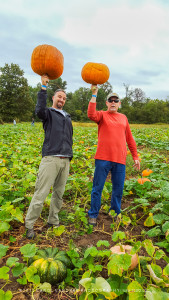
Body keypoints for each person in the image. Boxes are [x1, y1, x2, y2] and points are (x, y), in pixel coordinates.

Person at [25, 75, 73, 239]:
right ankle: (30, 225)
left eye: (64, 98)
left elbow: (69, 137)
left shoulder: (67, 116)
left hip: (65, 159)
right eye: (59, 96)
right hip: (51, 159)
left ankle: (53, 221)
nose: (62, 99)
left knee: (58, 194)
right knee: (41, 193)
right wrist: (43, 88)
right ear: (54, 97)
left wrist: (69, 155)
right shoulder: (48, 113)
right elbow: (38, 110)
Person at [87, 85, 140, 226]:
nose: (113, 102)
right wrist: (94, 95)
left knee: (118, 189)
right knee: (97, 188)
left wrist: (135, 156)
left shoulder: (123, 118)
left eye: (116, 101)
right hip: (103, 159)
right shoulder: (102, 115)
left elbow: (129, 138)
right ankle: (93, 214)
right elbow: (91, 114)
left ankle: (115, 213)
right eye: (110, 100)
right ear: (106, 103)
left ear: (119, 104)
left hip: (120, 160)